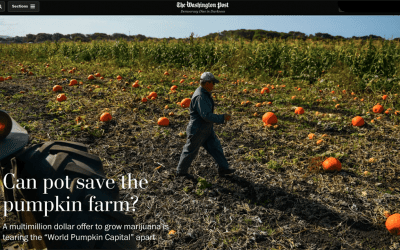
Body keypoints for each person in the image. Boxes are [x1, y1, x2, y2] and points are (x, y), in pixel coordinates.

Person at [176, 72, 236, 178]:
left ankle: (223, 168)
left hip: (206, 128)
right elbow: (206, 116)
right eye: (213, 83)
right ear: (207, 83)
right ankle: (181, 172)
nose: (214, 85)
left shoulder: (204, 93)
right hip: (197, 129)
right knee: (190, 151)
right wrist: (221, 118)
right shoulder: (201, 97)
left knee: (215, 147)